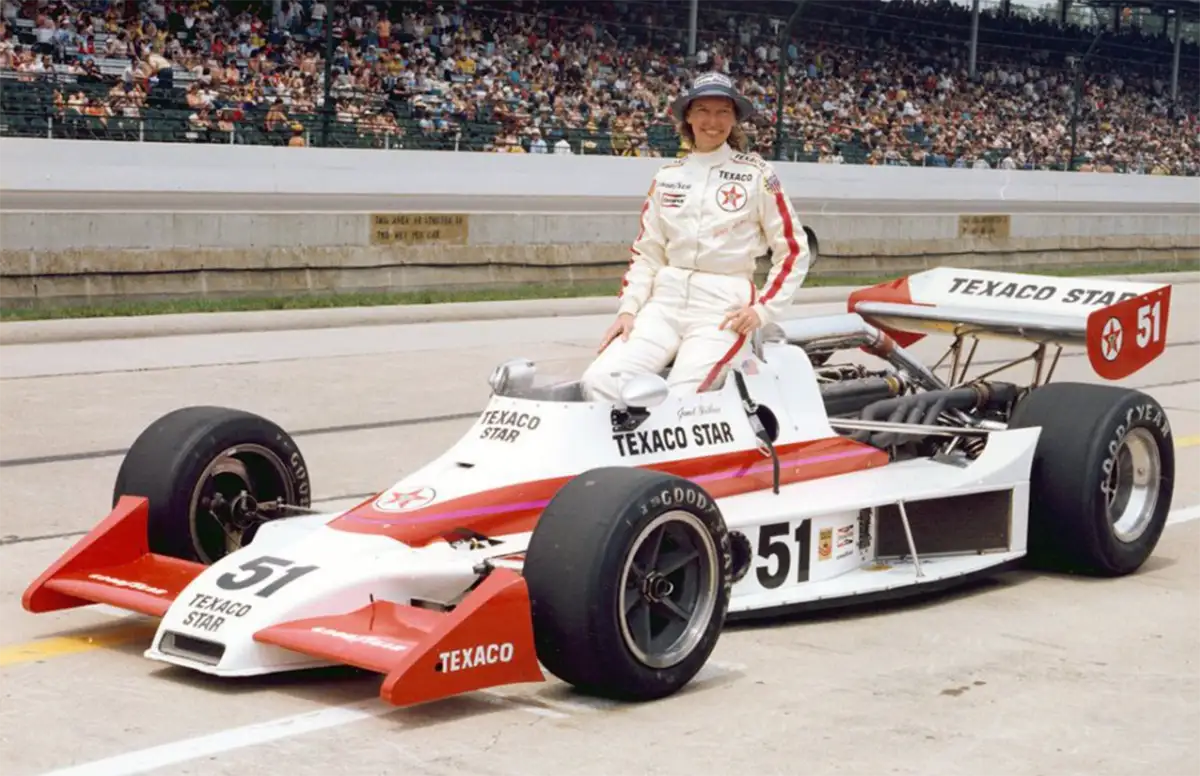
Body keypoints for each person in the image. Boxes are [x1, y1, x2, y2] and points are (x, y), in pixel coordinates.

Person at [580, 72, 812, 403]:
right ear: (688, 116)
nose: (712, 121)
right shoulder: (667, 177)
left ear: (734, 119)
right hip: (663, 304)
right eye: (703, 110)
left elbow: (793, 250)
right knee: (599, 382)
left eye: (722, 112)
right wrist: (628, 310)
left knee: (683, 398)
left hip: (722, 309)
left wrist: (762, 310)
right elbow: (648, 254)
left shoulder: (758, 174)